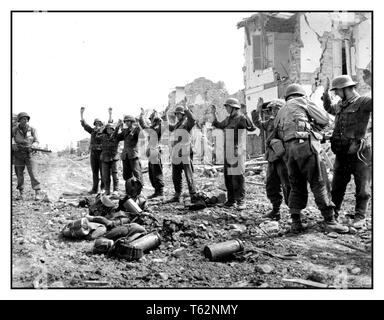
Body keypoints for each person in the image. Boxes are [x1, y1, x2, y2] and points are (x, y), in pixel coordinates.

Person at [274, 84, 349, 234]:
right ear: (301, 94)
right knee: (319, 181)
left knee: (296, 185)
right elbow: (324, 118)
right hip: (305, 147)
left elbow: (276, 135)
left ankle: (296, 223)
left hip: (288, 152)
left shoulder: (281, 111)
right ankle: (330, 221)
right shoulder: (302, 101)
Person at [323, 75, 372, 229]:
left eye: (337, 90)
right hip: (342, 153)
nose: (336, 93)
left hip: (360, 153)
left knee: (362, 187)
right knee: (337, 186)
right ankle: (334, 214)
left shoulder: (363, 102)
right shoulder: (341, 105)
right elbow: (330, 108)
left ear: (346, 89)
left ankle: (360, 216)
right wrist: (325, 94)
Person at [212, 98, 256, 210]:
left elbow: (252, 128)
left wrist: (246, 115)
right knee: (228, 177)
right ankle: (230, 201)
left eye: (227, 107)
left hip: (237, 151)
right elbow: (218, 125)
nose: (226, 108)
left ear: (233, 108)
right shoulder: (228, 119)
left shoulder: (241, 118)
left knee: (238, 177)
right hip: (228, 152)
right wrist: (214, 114)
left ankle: (240, 201)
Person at [252, 97, 290, 220]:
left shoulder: (287, 121)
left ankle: (294, 213)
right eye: (271, 109)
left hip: (284, 159)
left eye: (275, 109)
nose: (273, 111)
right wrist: (257, 110)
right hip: (272, 159)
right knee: (271, 185)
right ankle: (276, 210)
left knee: (288, 185)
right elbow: (258, 123)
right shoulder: (270, 122)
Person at [165, 105, 197, 203]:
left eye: (179, 114)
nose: (177, 115)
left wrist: (186, 108)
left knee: (188, 175)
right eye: (176, 114)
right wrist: (165, 116)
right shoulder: (177, 124)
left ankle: (193, 195)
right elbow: (169, 127)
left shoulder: (187, 122)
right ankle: (177, 195)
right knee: (176, 176)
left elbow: (193, 120)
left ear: (183, 114)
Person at [12, 112, 41, 200]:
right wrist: (13, 144)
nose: (24, 121)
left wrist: (34, 146)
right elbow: (11, 139)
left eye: (26, 119)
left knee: (33, 174)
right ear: (19, 120)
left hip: (30, 154)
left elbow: (36, 141)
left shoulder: (32, 129)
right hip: (18, 155)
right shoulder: (14, 130)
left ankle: (37, 193)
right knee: (19, 175)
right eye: (22, 119)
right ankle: (21, 193)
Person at [139, 108, 165, 198]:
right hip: (151, 152)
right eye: (151, 120)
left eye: (153, 120)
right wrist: (142, 115)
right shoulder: (151, 129)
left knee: (157, 171)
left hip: (155, 151)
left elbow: (163, 123)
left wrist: (158, 115)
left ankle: (160, 191)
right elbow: (142, 125)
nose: (151, 121)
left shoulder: (159, 128)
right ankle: (156, 191)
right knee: (152, 172)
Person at [80, 107, 105, 194]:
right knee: (95, 172)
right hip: (93, 154)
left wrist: (110, 114)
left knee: (103, 172)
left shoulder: (105, 132)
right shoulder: (92, 131)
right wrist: (81, 114)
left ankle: (103, 189)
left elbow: (110, 124)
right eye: (96, 123)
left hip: (102, 154)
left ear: (102, 124)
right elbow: (85, 125)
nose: (97, 125)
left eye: (99, 123)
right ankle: (94, 189)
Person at [116, 115, 144, 191]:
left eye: (128, 121)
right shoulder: (125, 131)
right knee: (126, 175)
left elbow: (142, 135)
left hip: (133, 155)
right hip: (125, 156)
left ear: (132, 122)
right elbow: (116, 137)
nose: (127, 123)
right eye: (126, 121)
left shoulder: (136, 129)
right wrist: (117, 126)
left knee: (137, 173)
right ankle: (130, 190)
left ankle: (139, 191)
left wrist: (139, 124)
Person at [97, 122, 120, 196]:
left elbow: (116, 133)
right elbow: (96, 136)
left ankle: (116, 190)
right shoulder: (103, 136)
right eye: (107, 129)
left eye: (111, 129)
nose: (109, 130)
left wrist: (118, 126)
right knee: (105, 175)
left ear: (113, 130)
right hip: (104, 158)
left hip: (114, 158)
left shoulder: (116, 136)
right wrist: (100, 129)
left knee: (115, 175)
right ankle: (107, 190)